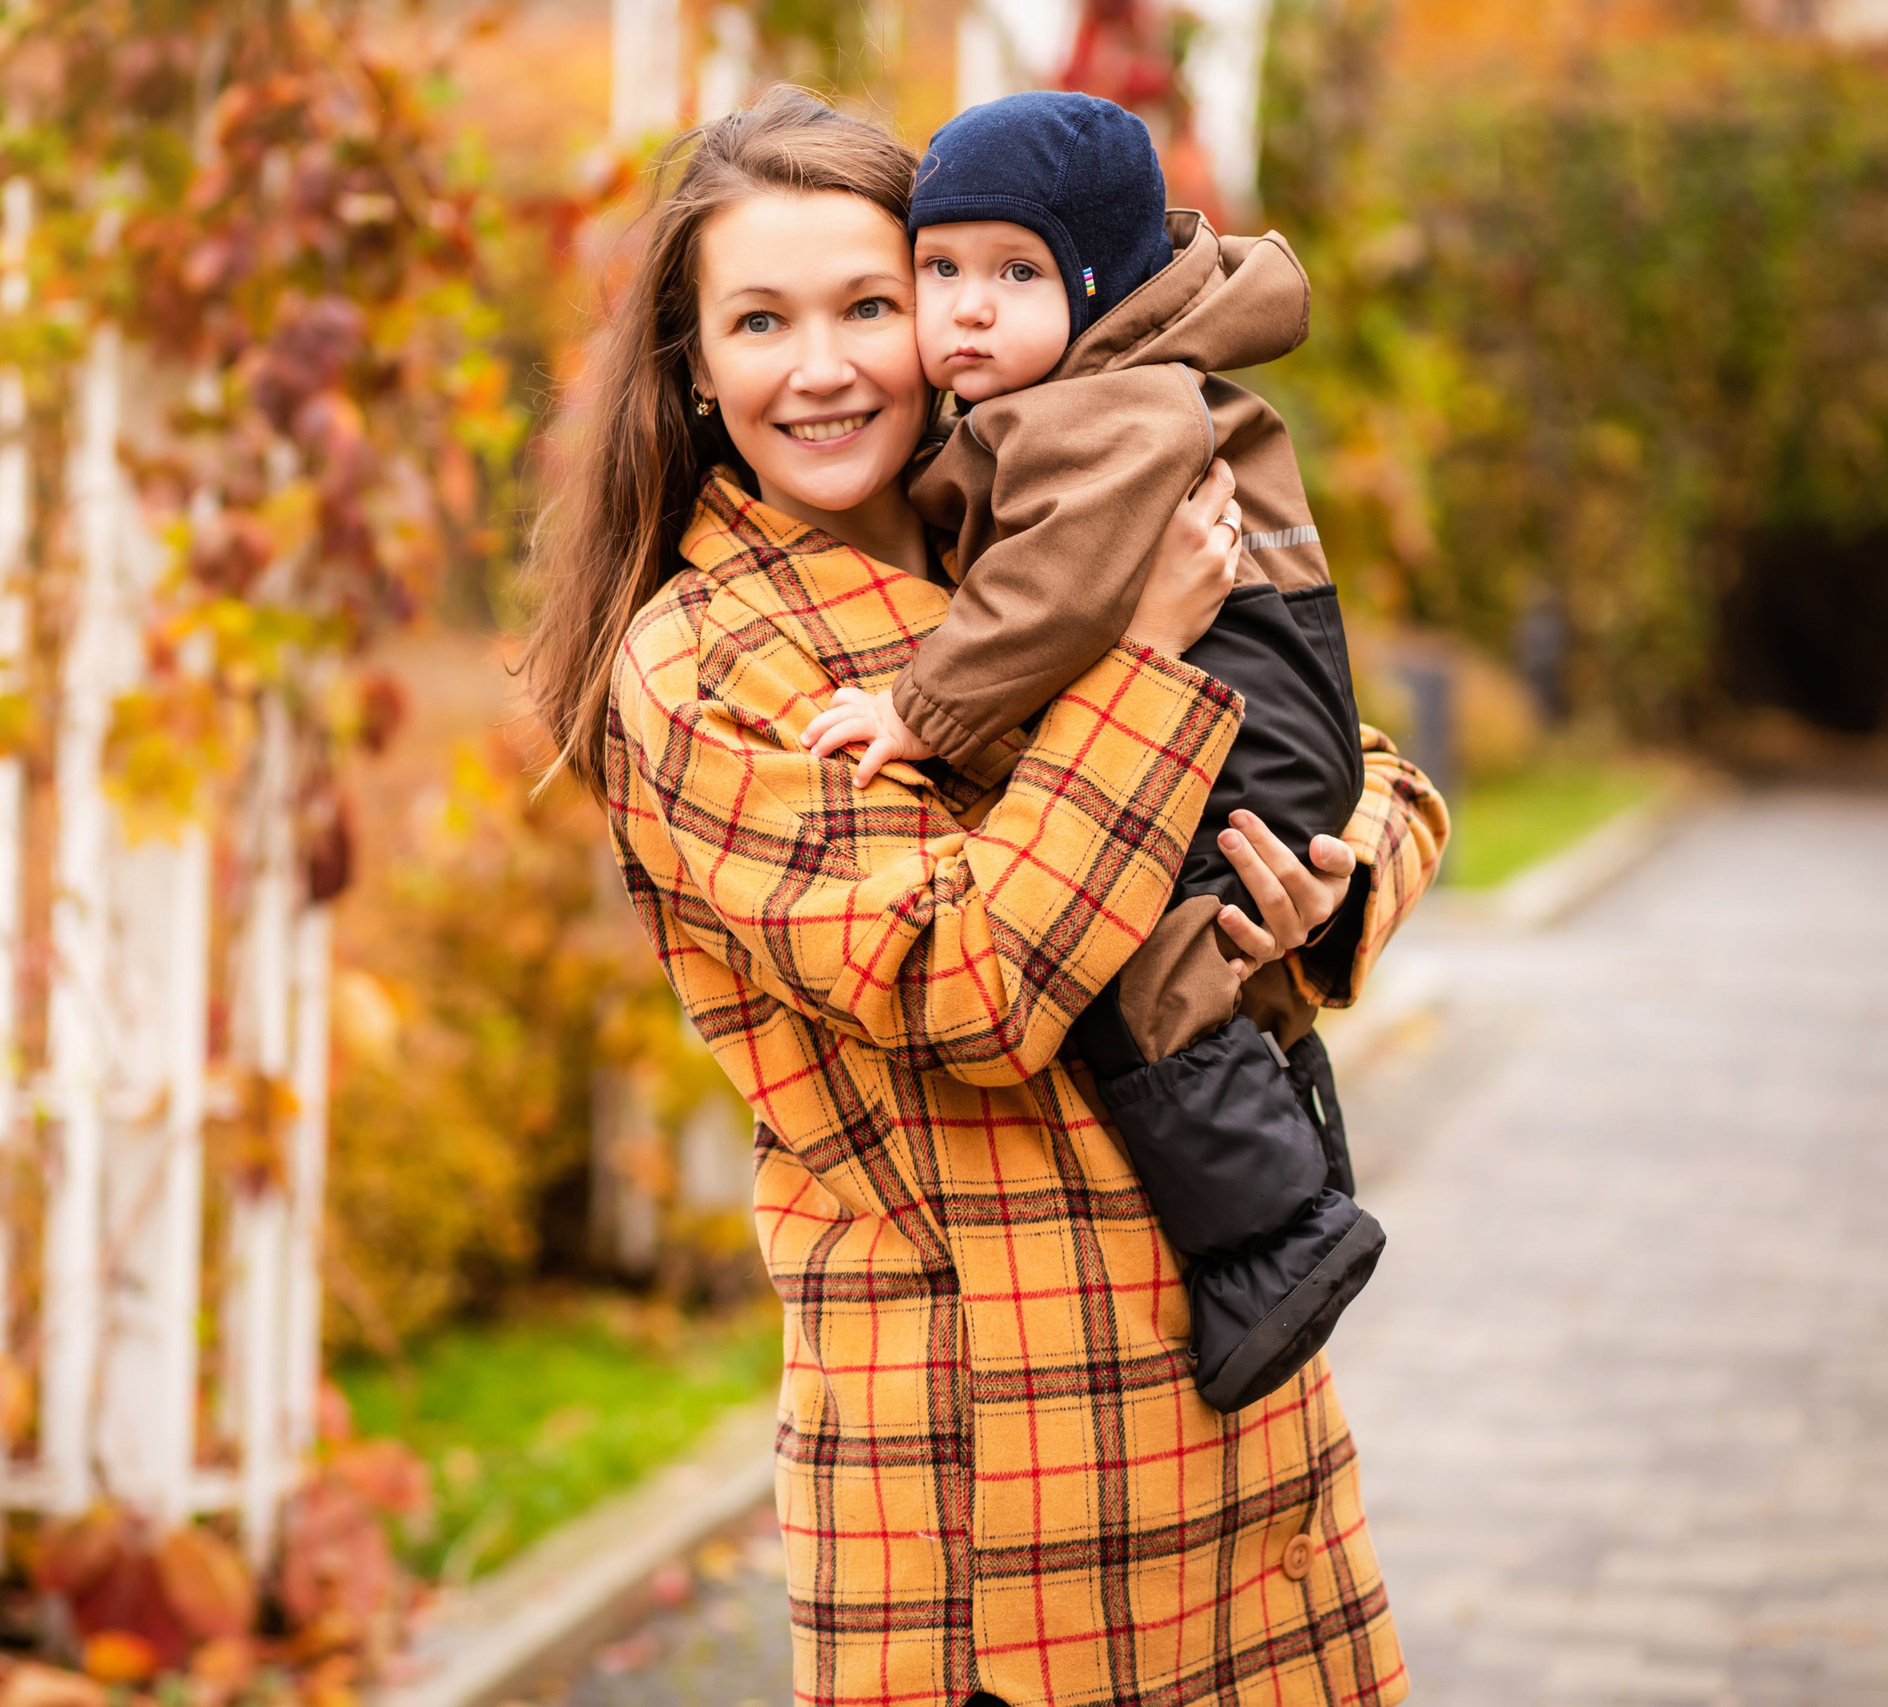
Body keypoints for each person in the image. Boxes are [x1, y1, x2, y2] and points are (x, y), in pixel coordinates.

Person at [526, 85, 1444, 1707]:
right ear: (695, 367)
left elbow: (1376, 768)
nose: (822, 366)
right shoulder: (707, 667)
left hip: (1244, 1423)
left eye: (870, 303)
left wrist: (1323, 891)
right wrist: (1145, 664)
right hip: (990, 1505)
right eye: (759, 320)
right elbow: (966, 983)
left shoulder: (1041, 505)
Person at [798, 91, 1380, 1413]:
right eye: (937, 271)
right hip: (1258, 712)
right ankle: (1294, 1162)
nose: (968, 311)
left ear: (1100, 287)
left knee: (1145, 970)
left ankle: (1275, 1242)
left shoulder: (1103, 411)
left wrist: (917, 712)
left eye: (1015, 274)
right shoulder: (1082, 392)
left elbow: (1052, 594)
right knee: (1200, 957)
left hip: (1251, 723)